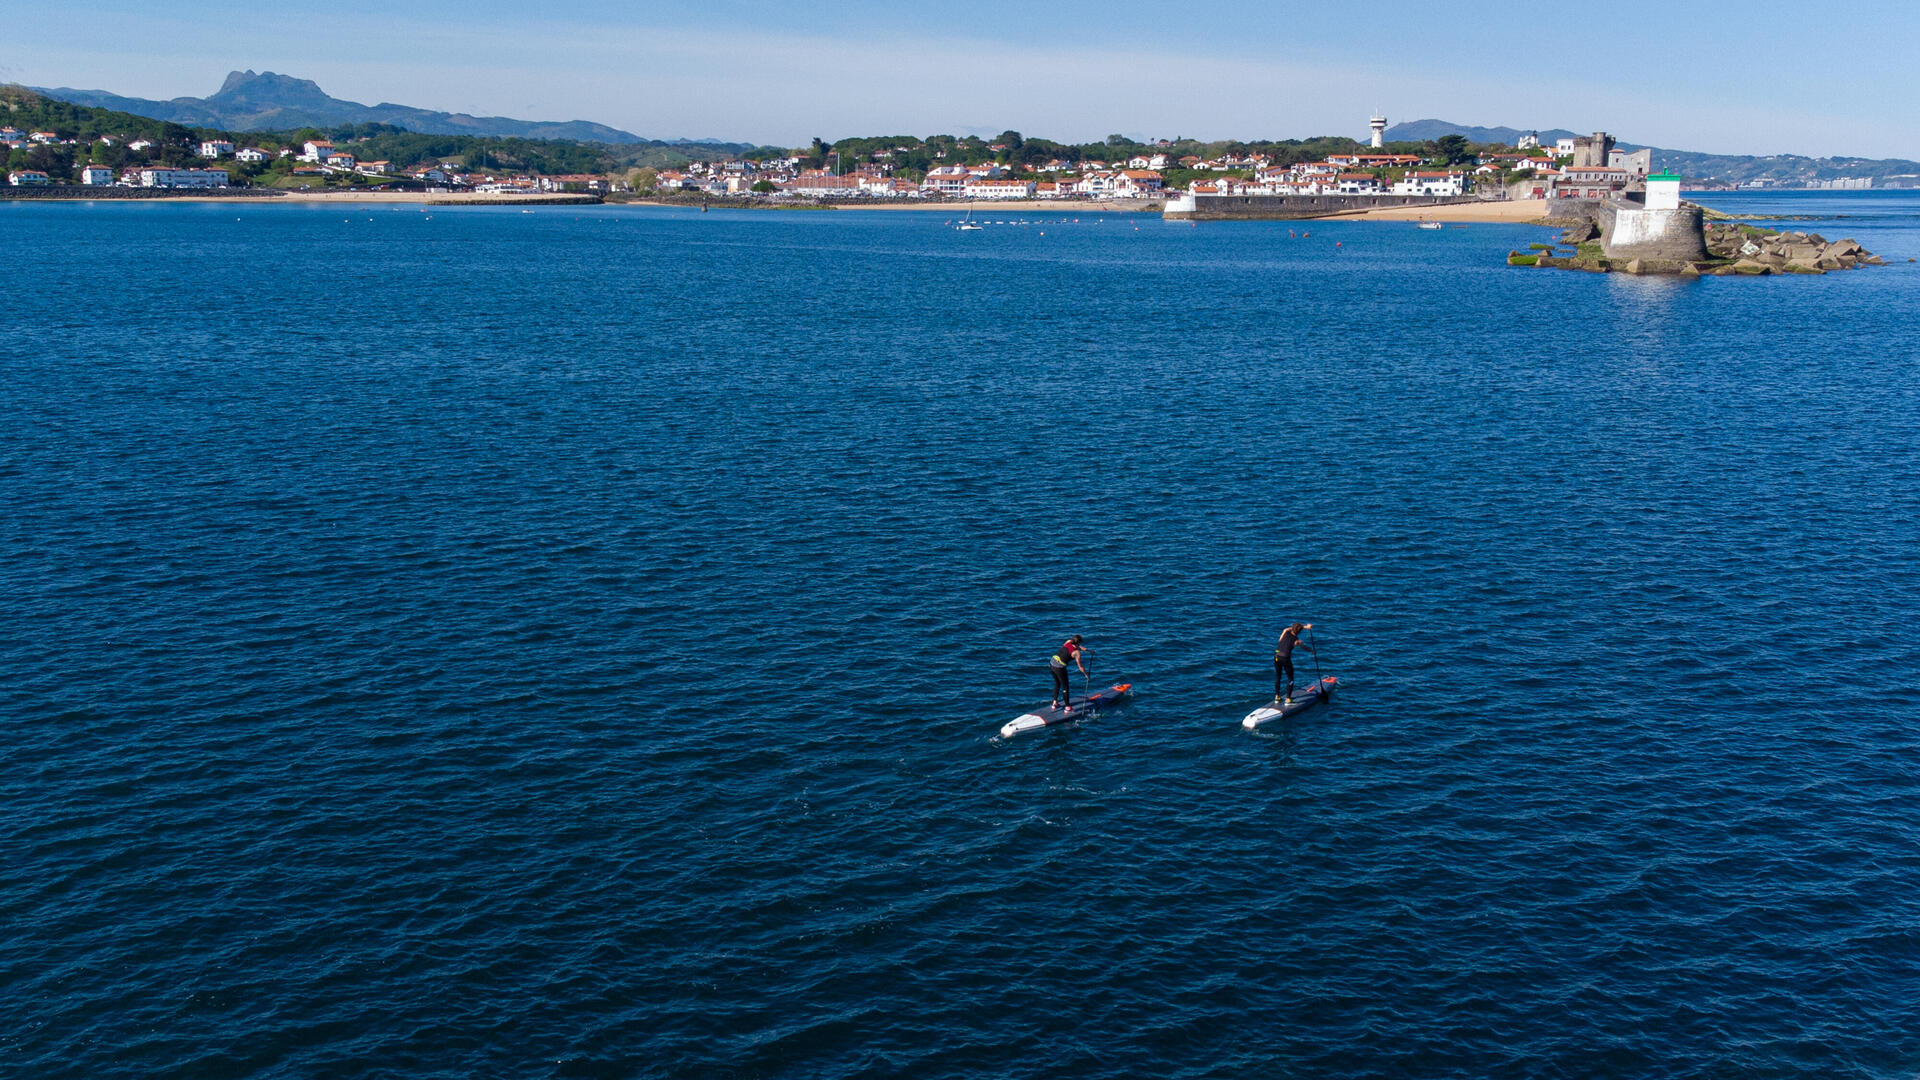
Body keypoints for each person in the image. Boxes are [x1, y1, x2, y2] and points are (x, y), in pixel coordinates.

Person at [1274, 623, 1314, 705]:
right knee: (1290, 678)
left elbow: (1286, 629)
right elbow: (1305, 648)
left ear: (1292, 628)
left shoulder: (1285, 632)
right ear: (1299, 631)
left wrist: (1305, 627)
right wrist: (1312, 651)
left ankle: (1277, 697)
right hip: (1285, 659)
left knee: (1278, 676)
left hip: (1276, 656)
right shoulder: (1297, 641)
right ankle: (1288, 699)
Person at [1050, 634, 1090, 709]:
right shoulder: (1077, 653)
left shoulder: (1068, 642)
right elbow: (1080, 666)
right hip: (1059, 667)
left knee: (1057, 683)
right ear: (1078, 643)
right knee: (1065, 686)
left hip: (1052, 663)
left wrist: (1087, 650)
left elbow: (1076, 646)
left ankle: (1054, 703)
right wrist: (1086, 674)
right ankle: (1068, 707)